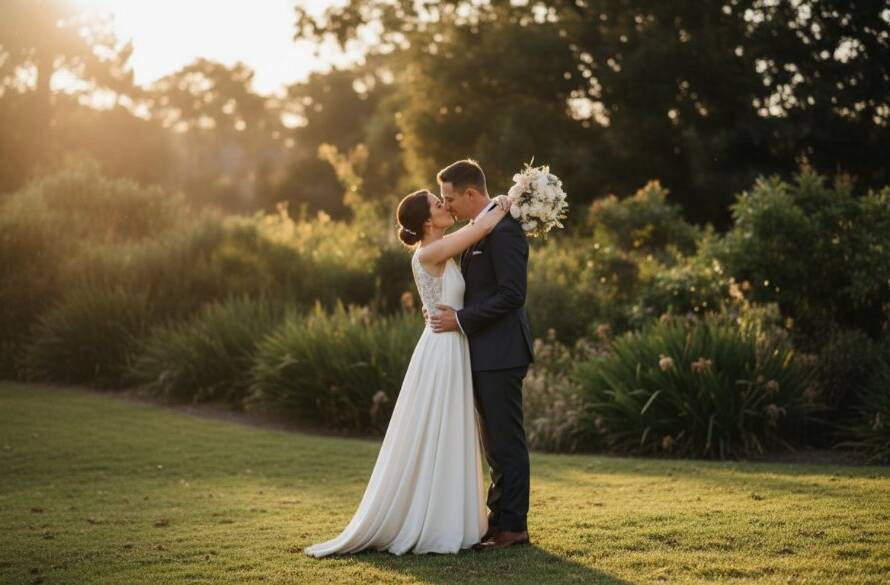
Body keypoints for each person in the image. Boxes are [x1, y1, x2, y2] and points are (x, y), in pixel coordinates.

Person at [303, 187, 513, 557]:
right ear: (427, 221)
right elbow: (480, 228)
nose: (445, 206)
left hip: (450, 342)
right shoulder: (430, 251)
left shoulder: (440, 248)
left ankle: (450, 516)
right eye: (438, 203)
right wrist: (507, 201)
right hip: (443, 348)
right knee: (441, 427)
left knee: (448, 428)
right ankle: (435, 521)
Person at [428, 159, 535, 551]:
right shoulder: (481, 229)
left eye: (450, 198)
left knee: (506, 443)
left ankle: (514, 527)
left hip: (502, 352)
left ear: (470, 193)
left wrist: (460, 319)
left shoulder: (504, 232)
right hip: (484, 353)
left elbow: (512, 295)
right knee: (494, 445)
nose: (447, 205)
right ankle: (498, 520)